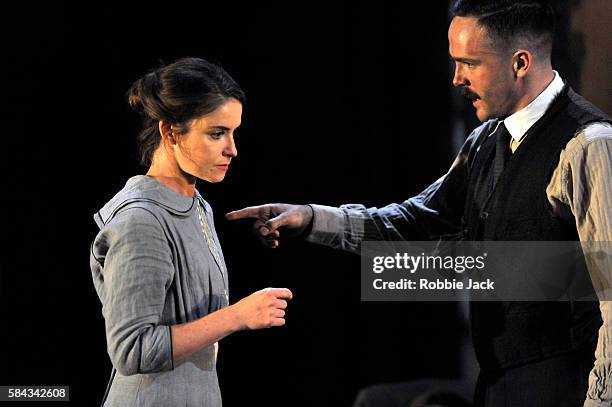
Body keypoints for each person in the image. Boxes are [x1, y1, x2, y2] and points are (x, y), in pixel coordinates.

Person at [226, 1, 612, 406]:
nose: (456, 78)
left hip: (567, 386)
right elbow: (414, 220)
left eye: (469, 63)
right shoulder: (484, 141)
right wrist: (310, 218)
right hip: (500, 384)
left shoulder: (589, 145)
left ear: (520, 62)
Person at [89, 57, 293, 407]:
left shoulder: (197, 203)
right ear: (170, 131)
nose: (232, 149)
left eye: (233, 132)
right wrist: (238, 316)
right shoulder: (141, 221)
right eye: (217, 133)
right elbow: (132, 349)